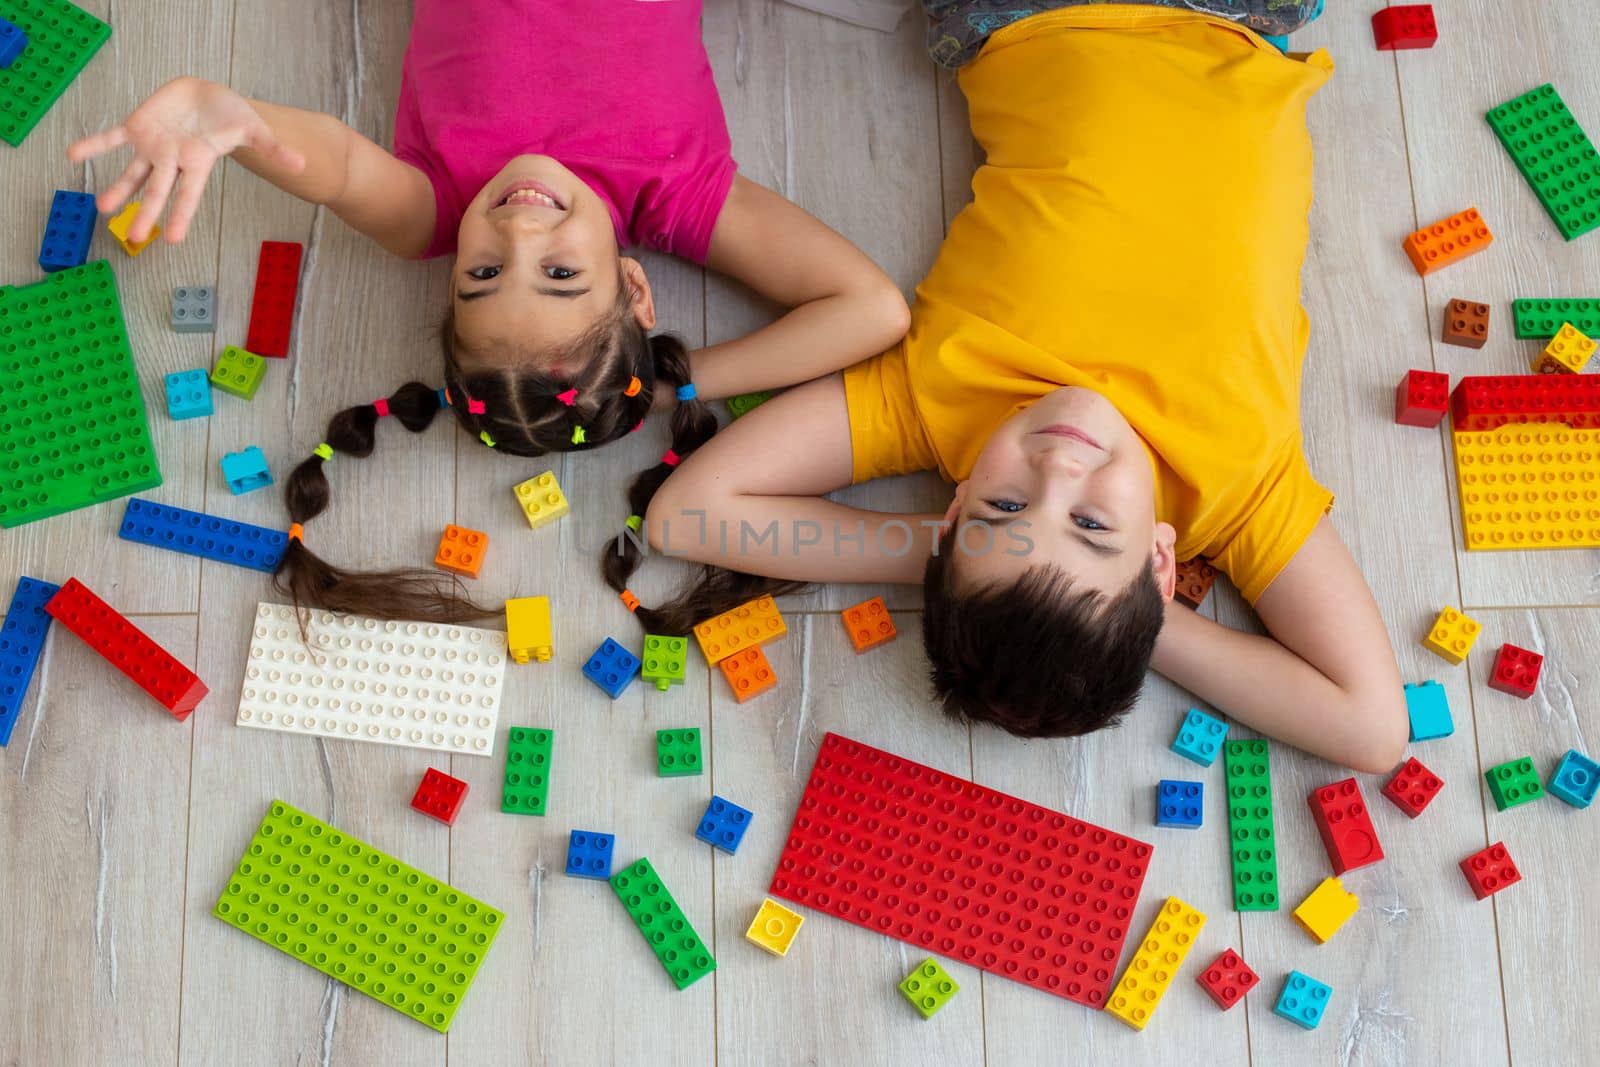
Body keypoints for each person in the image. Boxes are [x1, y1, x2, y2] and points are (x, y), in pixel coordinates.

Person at [612, 2, 1410, 774]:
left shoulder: (938, 404)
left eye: (1003, 510)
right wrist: (1125, 623)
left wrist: (956, 554)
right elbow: (1372, 728)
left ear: (956, 508)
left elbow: (687, 516)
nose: (1058, 472)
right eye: (1094, 524)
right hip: (1230, 18)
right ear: (1160, 565)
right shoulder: (1236, 490)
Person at [68, 0, 908, 620]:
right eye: (557, 273)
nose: (516, 224)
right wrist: (663, 384)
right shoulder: (675, 193)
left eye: (480, 273)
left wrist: (240, 123)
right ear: (635, 286)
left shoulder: (432, 208)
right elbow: (870, 310)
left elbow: (333, 168)